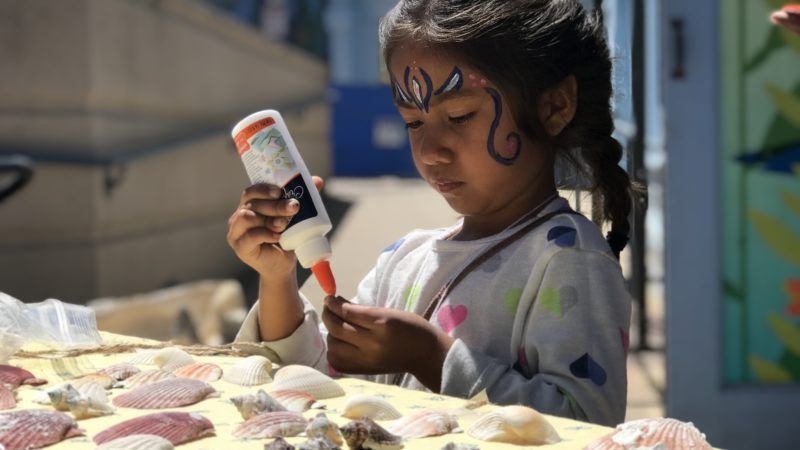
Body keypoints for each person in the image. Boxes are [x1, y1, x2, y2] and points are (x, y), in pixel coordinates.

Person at [228, 0, 635, 426]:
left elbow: (588, 424)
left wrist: (433, 357)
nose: (429, 151)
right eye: (413, 123)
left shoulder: (568, 260)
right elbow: (323, 387)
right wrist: (277, 280)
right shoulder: (404, 259)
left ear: (554, 107)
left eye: (459, 116)